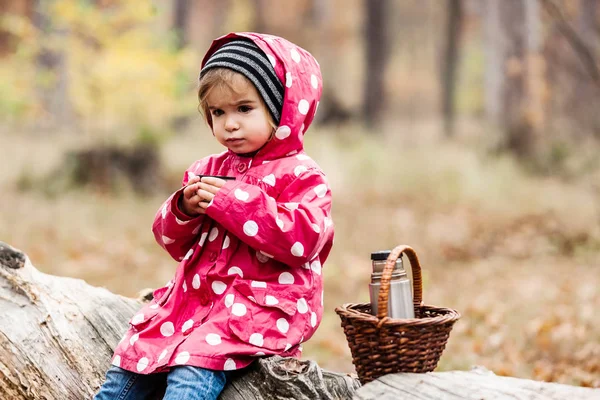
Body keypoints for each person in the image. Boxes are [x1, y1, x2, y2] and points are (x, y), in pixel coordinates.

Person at [94, 32, 334, 400]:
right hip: (195, 301)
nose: (229, 124)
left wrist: (234, 201)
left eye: (244, 109)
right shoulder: (207, 168)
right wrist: (184, 209)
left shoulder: (301, 174)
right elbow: (172, 242)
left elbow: (303, 241)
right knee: (134, 359)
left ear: (282, 107)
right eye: (218, 112)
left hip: (257, 308)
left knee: (192, 369)